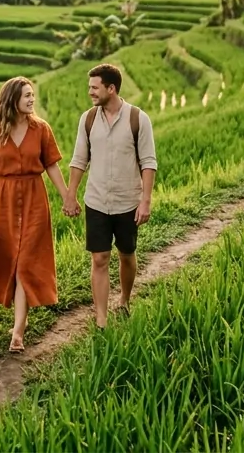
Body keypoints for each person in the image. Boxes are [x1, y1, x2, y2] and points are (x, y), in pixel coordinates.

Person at [0, 76, 74, 353]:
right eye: (27, 95)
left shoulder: (41, 129)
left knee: (28, 261)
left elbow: (52, 165)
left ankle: (18, 330)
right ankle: (18, 323)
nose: (32, 99)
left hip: (34, 198)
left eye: (33, 95)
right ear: (12, 100)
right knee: (10, 263)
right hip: (3, 200)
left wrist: (67, 196)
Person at [65, 63, 157, 329]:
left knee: (126, 254)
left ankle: (125, 299)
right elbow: (79, 159)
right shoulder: (88, 119)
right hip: (96, 201)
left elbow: (149, 162)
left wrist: (145, 200)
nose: (90, 92)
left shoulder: (138, 119)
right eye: (90, 87)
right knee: (99, 258)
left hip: (128, 201)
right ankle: (101, 318)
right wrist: (71, 195)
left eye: (95, 88)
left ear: (111, 88)